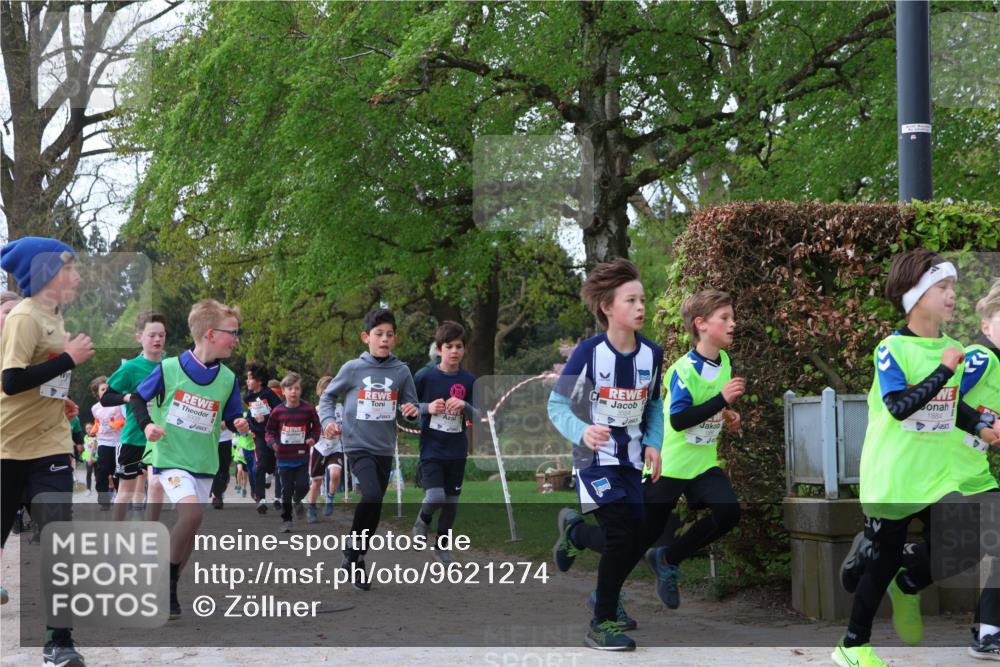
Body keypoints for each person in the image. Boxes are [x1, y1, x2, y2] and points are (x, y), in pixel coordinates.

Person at [832, 250, 998, 667]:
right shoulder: (891, 349)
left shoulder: (954, 347)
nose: (951, 295)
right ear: (915, 294)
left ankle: (906, 578)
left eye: (952, 288)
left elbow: (951, 404)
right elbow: (899, 406)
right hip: (894, 476)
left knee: (967, 542)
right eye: (942, 287)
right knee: (880, 564)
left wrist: (978, 424)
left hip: (939, 476)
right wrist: (943, 371)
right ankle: (852, 647)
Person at [547, 258, 664, 651]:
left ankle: (576, 533)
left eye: (642, 299)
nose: (640, 307)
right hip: (593, 459)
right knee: (620, 534)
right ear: (607, 308)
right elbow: (555, 406)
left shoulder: (653, 355)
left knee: (636, 536)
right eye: (630, 300)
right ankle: (601, 622)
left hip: (631, 461)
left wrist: (653, 442)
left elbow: (654, 407)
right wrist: (582, 430)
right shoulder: (588, 353)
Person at [1, 236, 95, 666]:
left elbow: (39, 381)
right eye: (68, 268)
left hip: (51, 445)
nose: (76, 275)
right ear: (44, 275)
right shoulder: (23, 316)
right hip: (8, 447)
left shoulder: (55, 316)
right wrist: (70, 360)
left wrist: (59, 399)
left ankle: (60, 642)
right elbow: (12, 381)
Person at [129, 299, 250, 619]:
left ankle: (169, 587)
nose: (236, 339)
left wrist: (240, 423)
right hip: (171, 458)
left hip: (205, 462)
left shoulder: (228, 379)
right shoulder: (168, 369)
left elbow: (234, 413)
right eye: (232, 333)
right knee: (192, 516)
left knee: (191, 530)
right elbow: (139, 399)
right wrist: (148, 425)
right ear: (210, 334)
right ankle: (163, 580)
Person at [319, 307, 419, 590]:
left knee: (375, 505)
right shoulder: (353, 369)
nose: (384, 339)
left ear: (395, 339)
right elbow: (327, 397)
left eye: (389, 334)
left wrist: (413, 411)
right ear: (366, 337)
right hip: (356, 444)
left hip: (384, 447)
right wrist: (327, 421)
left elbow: (410, 406)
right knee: (372, 493)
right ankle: (353, 551)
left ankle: (356, 556)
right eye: (378, 334)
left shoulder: (401, 371)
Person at [411, 321, 477, 564]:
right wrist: (427, 408)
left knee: (451, 503)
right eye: (449, 346)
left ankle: (442, 546)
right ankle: (422, 521)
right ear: (439, 349)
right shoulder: (424, 376)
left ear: (464, 350)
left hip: (457, 451)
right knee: (436, 496)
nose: (454, 351)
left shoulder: (469, 381)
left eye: (459, 346)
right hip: (431, 449)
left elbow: (481, 416)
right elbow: (405, 408)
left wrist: (466, 406)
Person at [266, 372, 321, 532]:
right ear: (283, 391)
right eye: (290, 389)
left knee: (304, 485)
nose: (293, 392)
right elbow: (269, 431)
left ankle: (298, 500)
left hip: (301, 456)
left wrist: (312, 438)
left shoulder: (308, 410)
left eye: (296, 388)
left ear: (300, 390)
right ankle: (287, 520)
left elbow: (316, 428)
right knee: (286, 490)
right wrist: (273, 443)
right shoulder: (277, 411)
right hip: (283, 457)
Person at [245, 362, 282, 514]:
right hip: (259, 436)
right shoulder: (248, 396)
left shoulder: (269, 394)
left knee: (276, 466)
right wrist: (249, 422)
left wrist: (266, 418)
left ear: (259, 380)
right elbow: (250, 416)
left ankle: (278, 497)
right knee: (260, 465)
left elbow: (280, 413)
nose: (247, 381)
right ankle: (261, 499)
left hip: (273, 435)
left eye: (250, 378)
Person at [305, 375, 342, 521]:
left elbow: (347, 424)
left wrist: (342, 430)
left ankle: (330, 498)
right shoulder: (315, 410)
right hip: (319, 448)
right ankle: (312, 508)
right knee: (316, 481)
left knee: (335, 474)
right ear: (320, 392)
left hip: (336, 447)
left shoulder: (341, 409)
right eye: (326, 390)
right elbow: (308, 429)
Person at [90, 375, 125, 510]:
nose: (105, 391)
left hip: (119, 442)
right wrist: (95, 428)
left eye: (107, 389)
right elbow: (98, 421)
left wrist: (117, 424)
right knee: (102, 471)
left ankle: (120, 498)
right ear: (97, 393)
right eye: (102, 389)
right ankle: (104, 501)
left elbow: (126, 419)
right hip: (104, 441)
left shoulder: (119, 404)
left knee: (117, 471)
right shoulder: (95, 408)